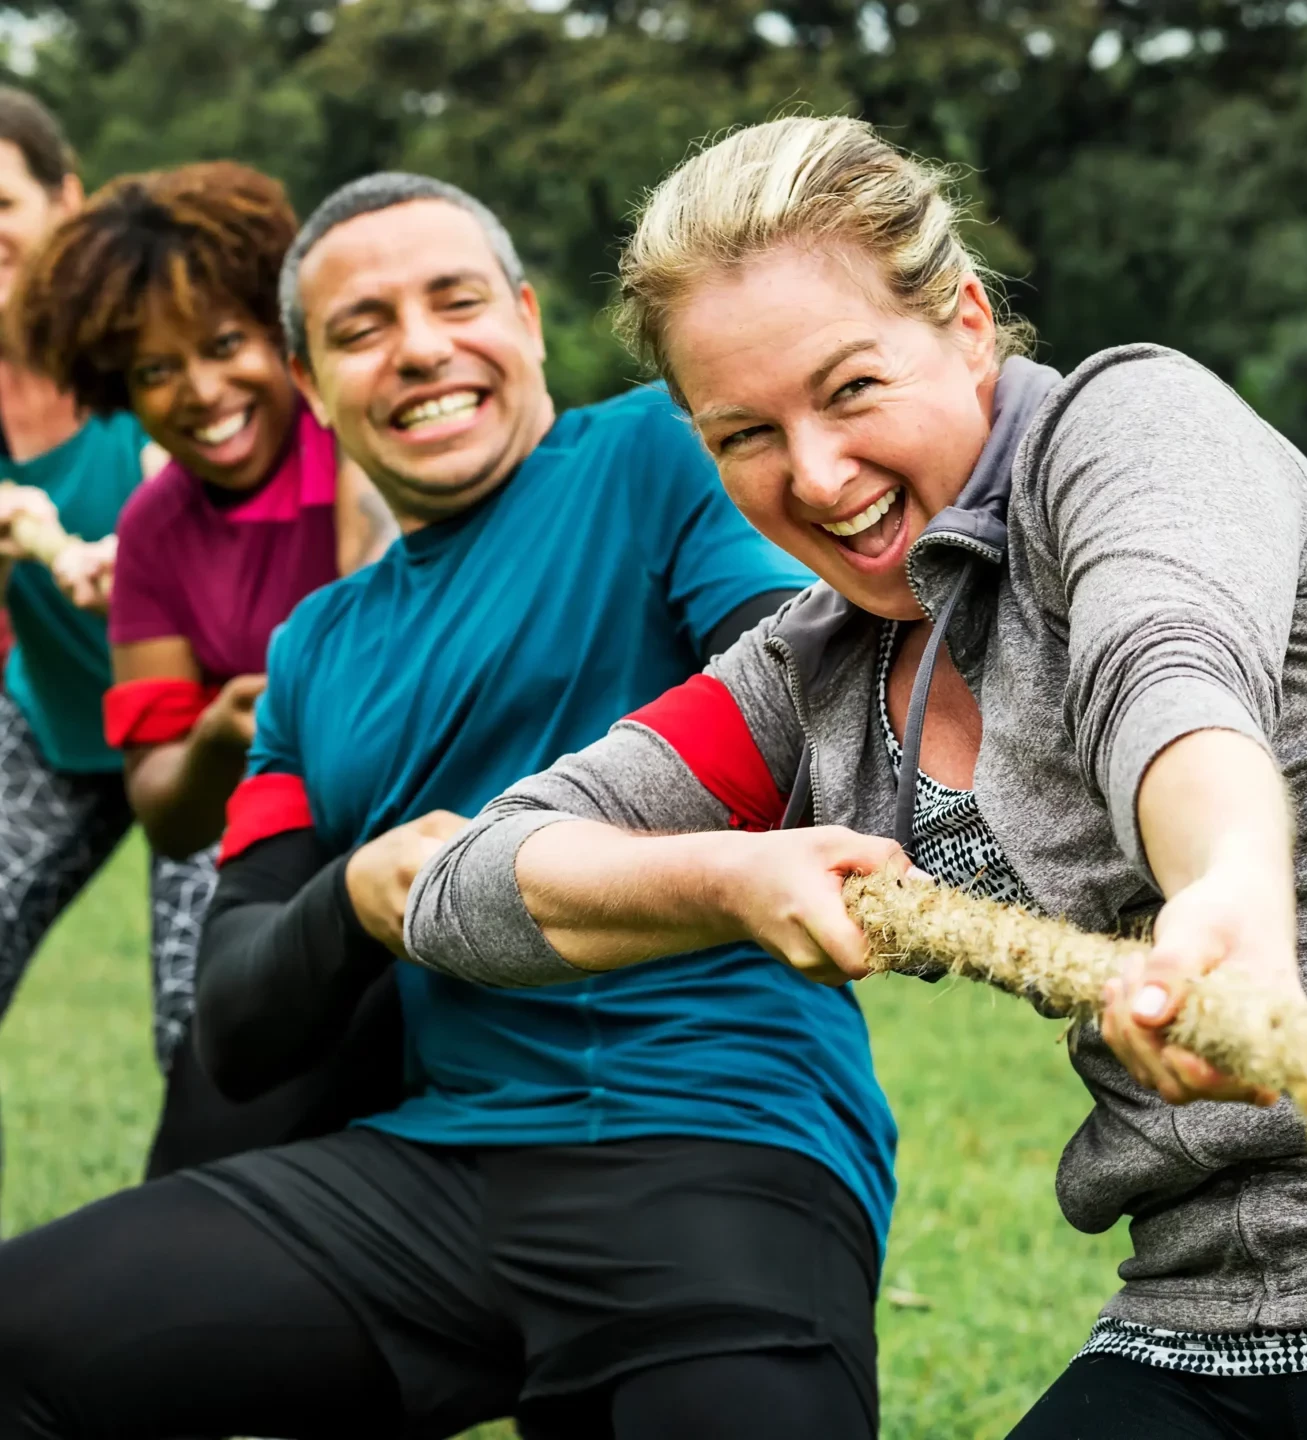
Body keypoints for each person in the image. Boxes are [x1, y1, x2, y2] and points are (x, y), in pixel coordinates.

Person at [400, 116, 1307, 1440]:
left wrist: (1226, 884)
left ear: (964, 323)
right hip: (1202, 1321)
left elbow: (1167, 673)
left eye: (849, 390)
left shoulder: (1133, 430)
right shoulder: (812, 676)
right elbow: (469, 887)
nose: (817, 476)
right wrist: (734, 874)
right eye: (745, 434)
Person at [0, 171, 894, 1440]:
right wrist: (358, 897)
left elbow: (805, 705)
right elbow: (241, 1019)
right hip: (435, 1178)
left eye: (456, 302)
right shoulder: (313, 650)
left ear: (526, 321)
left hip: (715, 1143)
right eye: (362, 328)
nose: (421, 349)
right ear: (314, 388)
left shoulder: (656, 453)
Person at [15, 160, 399, 1171]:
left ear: (284, 337)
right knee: (209, 1060)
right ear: (116, 387)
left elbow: (386, 606)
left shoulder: (353, 440)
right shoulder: (155, 533)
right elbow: (165, 808)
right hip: (272, 828)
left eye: (226, 345)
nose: (200, 392)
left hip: (421, 825)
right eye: (153, 371)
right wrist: (222, 735)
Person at [0, 87, 205, 1205]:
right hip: (53, 722)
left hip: (209, 726)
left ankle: (208, 1281)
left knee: (205, 1020)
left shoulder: (141, 349)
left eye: (0, 199)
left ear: (63, 201)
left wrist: (152, 566)